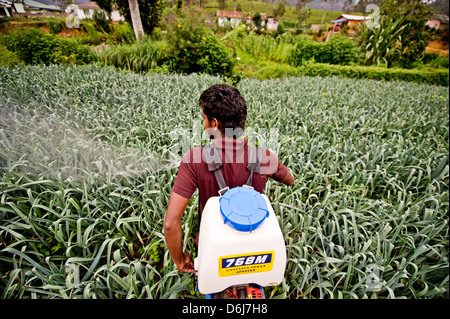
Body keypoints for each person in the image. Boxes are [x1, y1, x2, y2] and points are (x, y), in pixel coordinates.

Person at [163, 84, 295, 273]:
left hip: (212, 248)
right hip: (255, 252)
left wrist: (180, 259)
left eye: (205, 120)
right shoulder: (264, 157)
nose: (204, 125)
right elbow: (290, 180)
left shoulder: (195, 159)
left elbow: (170, 224)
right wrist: (287, 173)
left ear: (215, 124)